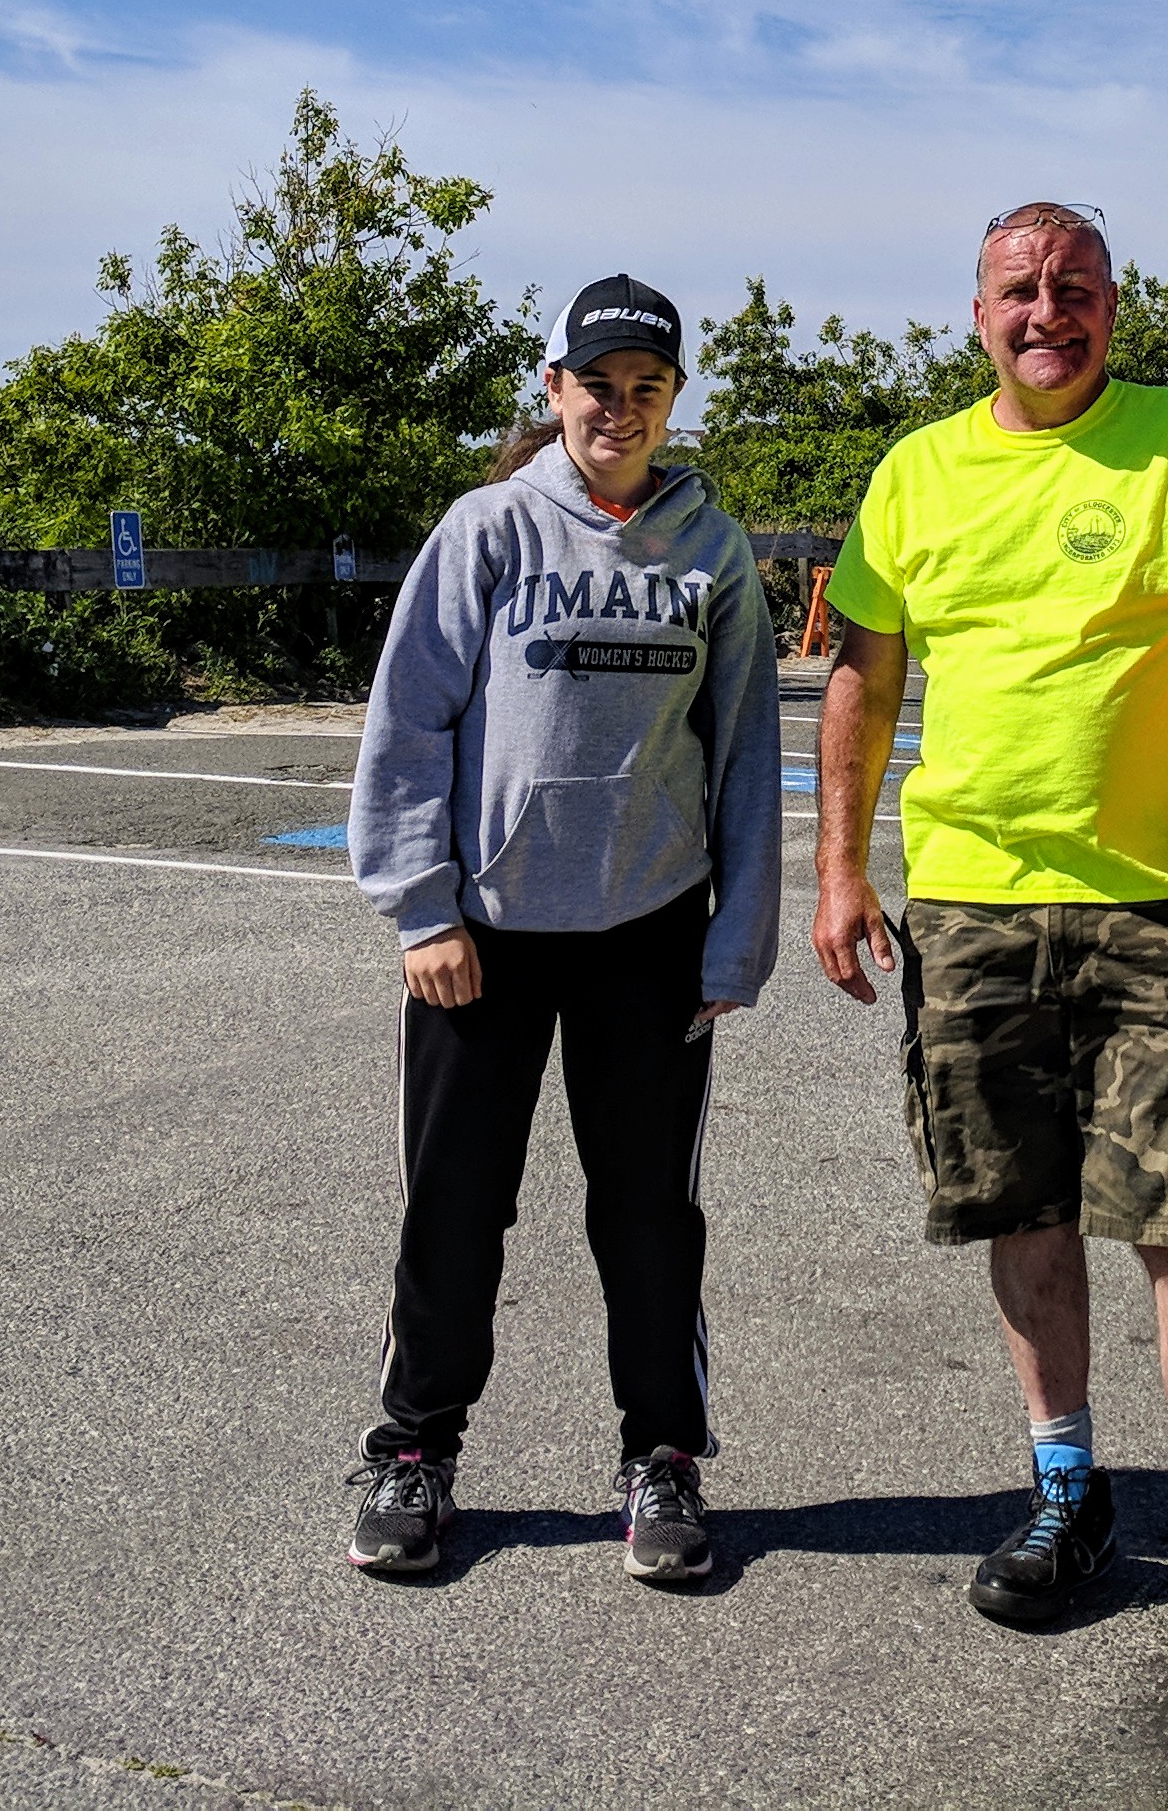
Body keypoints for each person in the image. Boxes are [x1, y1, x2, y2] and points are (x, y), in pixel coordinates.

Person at [811, 201, 1168, 1676]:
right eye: (1021, 290)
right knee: (1020, 1209)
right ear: (978, 315)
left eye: (1076, 286)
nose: (1049, 312)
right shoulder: (917, 472)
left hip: (1161, 903)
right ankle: (1067, 1494)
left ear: (1114, 305)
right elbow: (862, 675)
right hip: (970, 904)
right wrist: (839, 870)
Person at [343, 275, 783, 1588]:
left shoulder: (712, 554)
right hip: (483, 937)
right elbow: (408, 720)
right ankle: (413, 1451)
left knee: (648, 1217)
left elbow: (745, 755)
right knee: (455, 1204)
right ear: (556, 390)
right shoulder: (487, 530)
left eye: (647, 387)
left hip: (650, 935)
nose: (620, 408)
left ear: (673, 399)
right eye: (598, 385)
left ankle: (663, 1458)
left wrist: (736, 941)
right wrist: (421, 907)